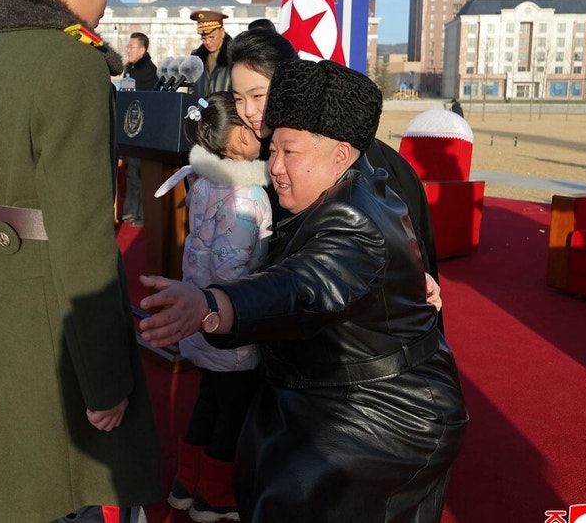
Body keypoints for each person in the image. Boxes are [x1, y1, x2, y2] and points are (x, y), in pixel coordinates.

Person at [139, 59, 468, 522]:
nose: (273, 167)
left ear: (339, 153)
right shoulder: (347, 184)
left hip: (382, 416)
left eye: (288, 153)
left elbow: (306, 285)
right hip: (332, 390)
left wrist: (214, 304)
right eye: (271, 150)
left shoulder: (352, 219)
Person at [0, 0, 162, 520]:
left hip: (3, 317)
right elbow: (84, 238)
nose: (103, 0)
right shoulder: (73, 64)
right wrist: (104, 378)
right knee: (71, 500)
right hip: (61, 341)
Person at [228, 29, 442, 312]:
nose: (249, 111)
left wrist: (225, 306)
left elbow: (391, 248)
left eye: (258, 95)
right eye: (238, 98)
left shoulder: (367, 165)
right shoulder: (249, 148)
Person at [164, 92, 270, 522]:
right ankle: (214, 496)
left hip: (203, 322)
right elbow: (232, 270)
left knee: (208, 400)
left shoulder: (204, 181)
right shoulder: (246, 196)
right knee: (232, 411)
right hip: (231, 328)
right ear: (241, 139)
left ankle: (184, 484)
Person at [120, 31, 158, 227]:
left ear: (142, 50)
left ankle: (143, 214)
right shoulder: (129, 69)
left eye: (132, 46)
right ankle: (130, 210)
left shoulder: (150, 71)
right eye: (128, 46)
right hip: (128, 127)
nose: (128, 49)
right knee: (131, 172)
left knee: (142, 174)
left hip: (143, 130)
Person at [189, 10, 232, 97]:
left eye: (211, 37)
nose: (208, 42)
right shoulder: (196, 59)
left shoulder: (234, 57)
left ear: (222, 32)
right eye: (204, 38)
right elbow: (191, 90)